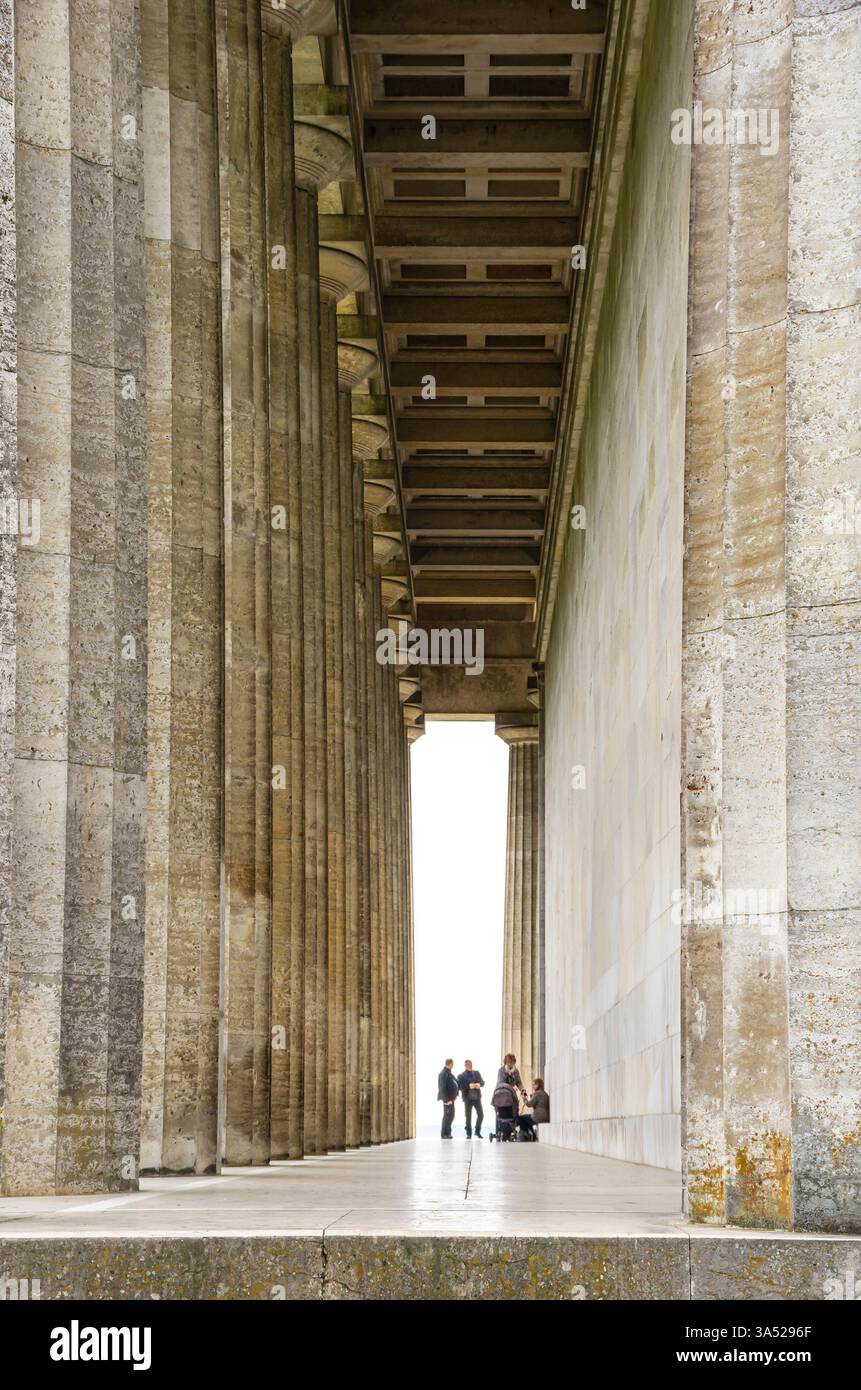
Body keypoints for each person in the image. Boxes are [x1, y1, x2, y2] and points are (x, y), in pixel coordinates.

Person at [456, 1059, 485, 1139]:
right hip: (467, 1099)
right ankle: (469, 1133)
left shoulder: (476, 1073)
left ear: (472, 1065)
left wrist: (479, 1084)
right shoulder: (461, 1075)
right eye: (467, 1065)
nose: (469, 1066)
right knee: (468, 1117)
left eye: (470, 1064)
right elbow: (459, 1087)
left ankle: (477, 1131)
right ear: (465, 1066)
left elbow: (482, 1082)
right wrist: (469, 1086)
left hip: (477, 1098)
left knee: (481, 1115)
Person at [437, 1058, 459, 1138]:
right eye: (452, 1064)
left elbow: (455, 1082)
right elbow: (442, 1088)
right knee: (447, 1116)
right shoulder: (443, 1074)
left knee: (451, 1115)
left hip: (451, 1099)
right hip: (447, 1099)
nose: (453, 1066)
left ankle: (448, 1133)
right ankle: (444, 1134)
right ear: (450, 1064)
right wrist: (447, 1100)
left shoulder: (449, 1073)